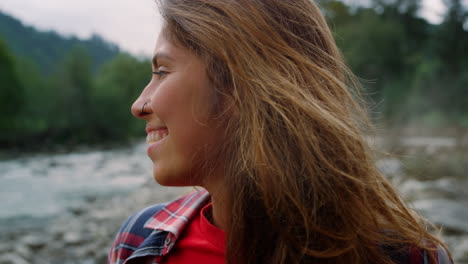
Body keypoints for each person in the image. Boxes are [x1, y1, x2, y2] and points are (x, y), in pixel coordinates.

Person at [108, 0, 453, 263]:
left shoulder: (404, 256)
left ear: (240, 86)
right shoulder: (137, 243)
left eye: (162, 71)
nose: (139, 105)